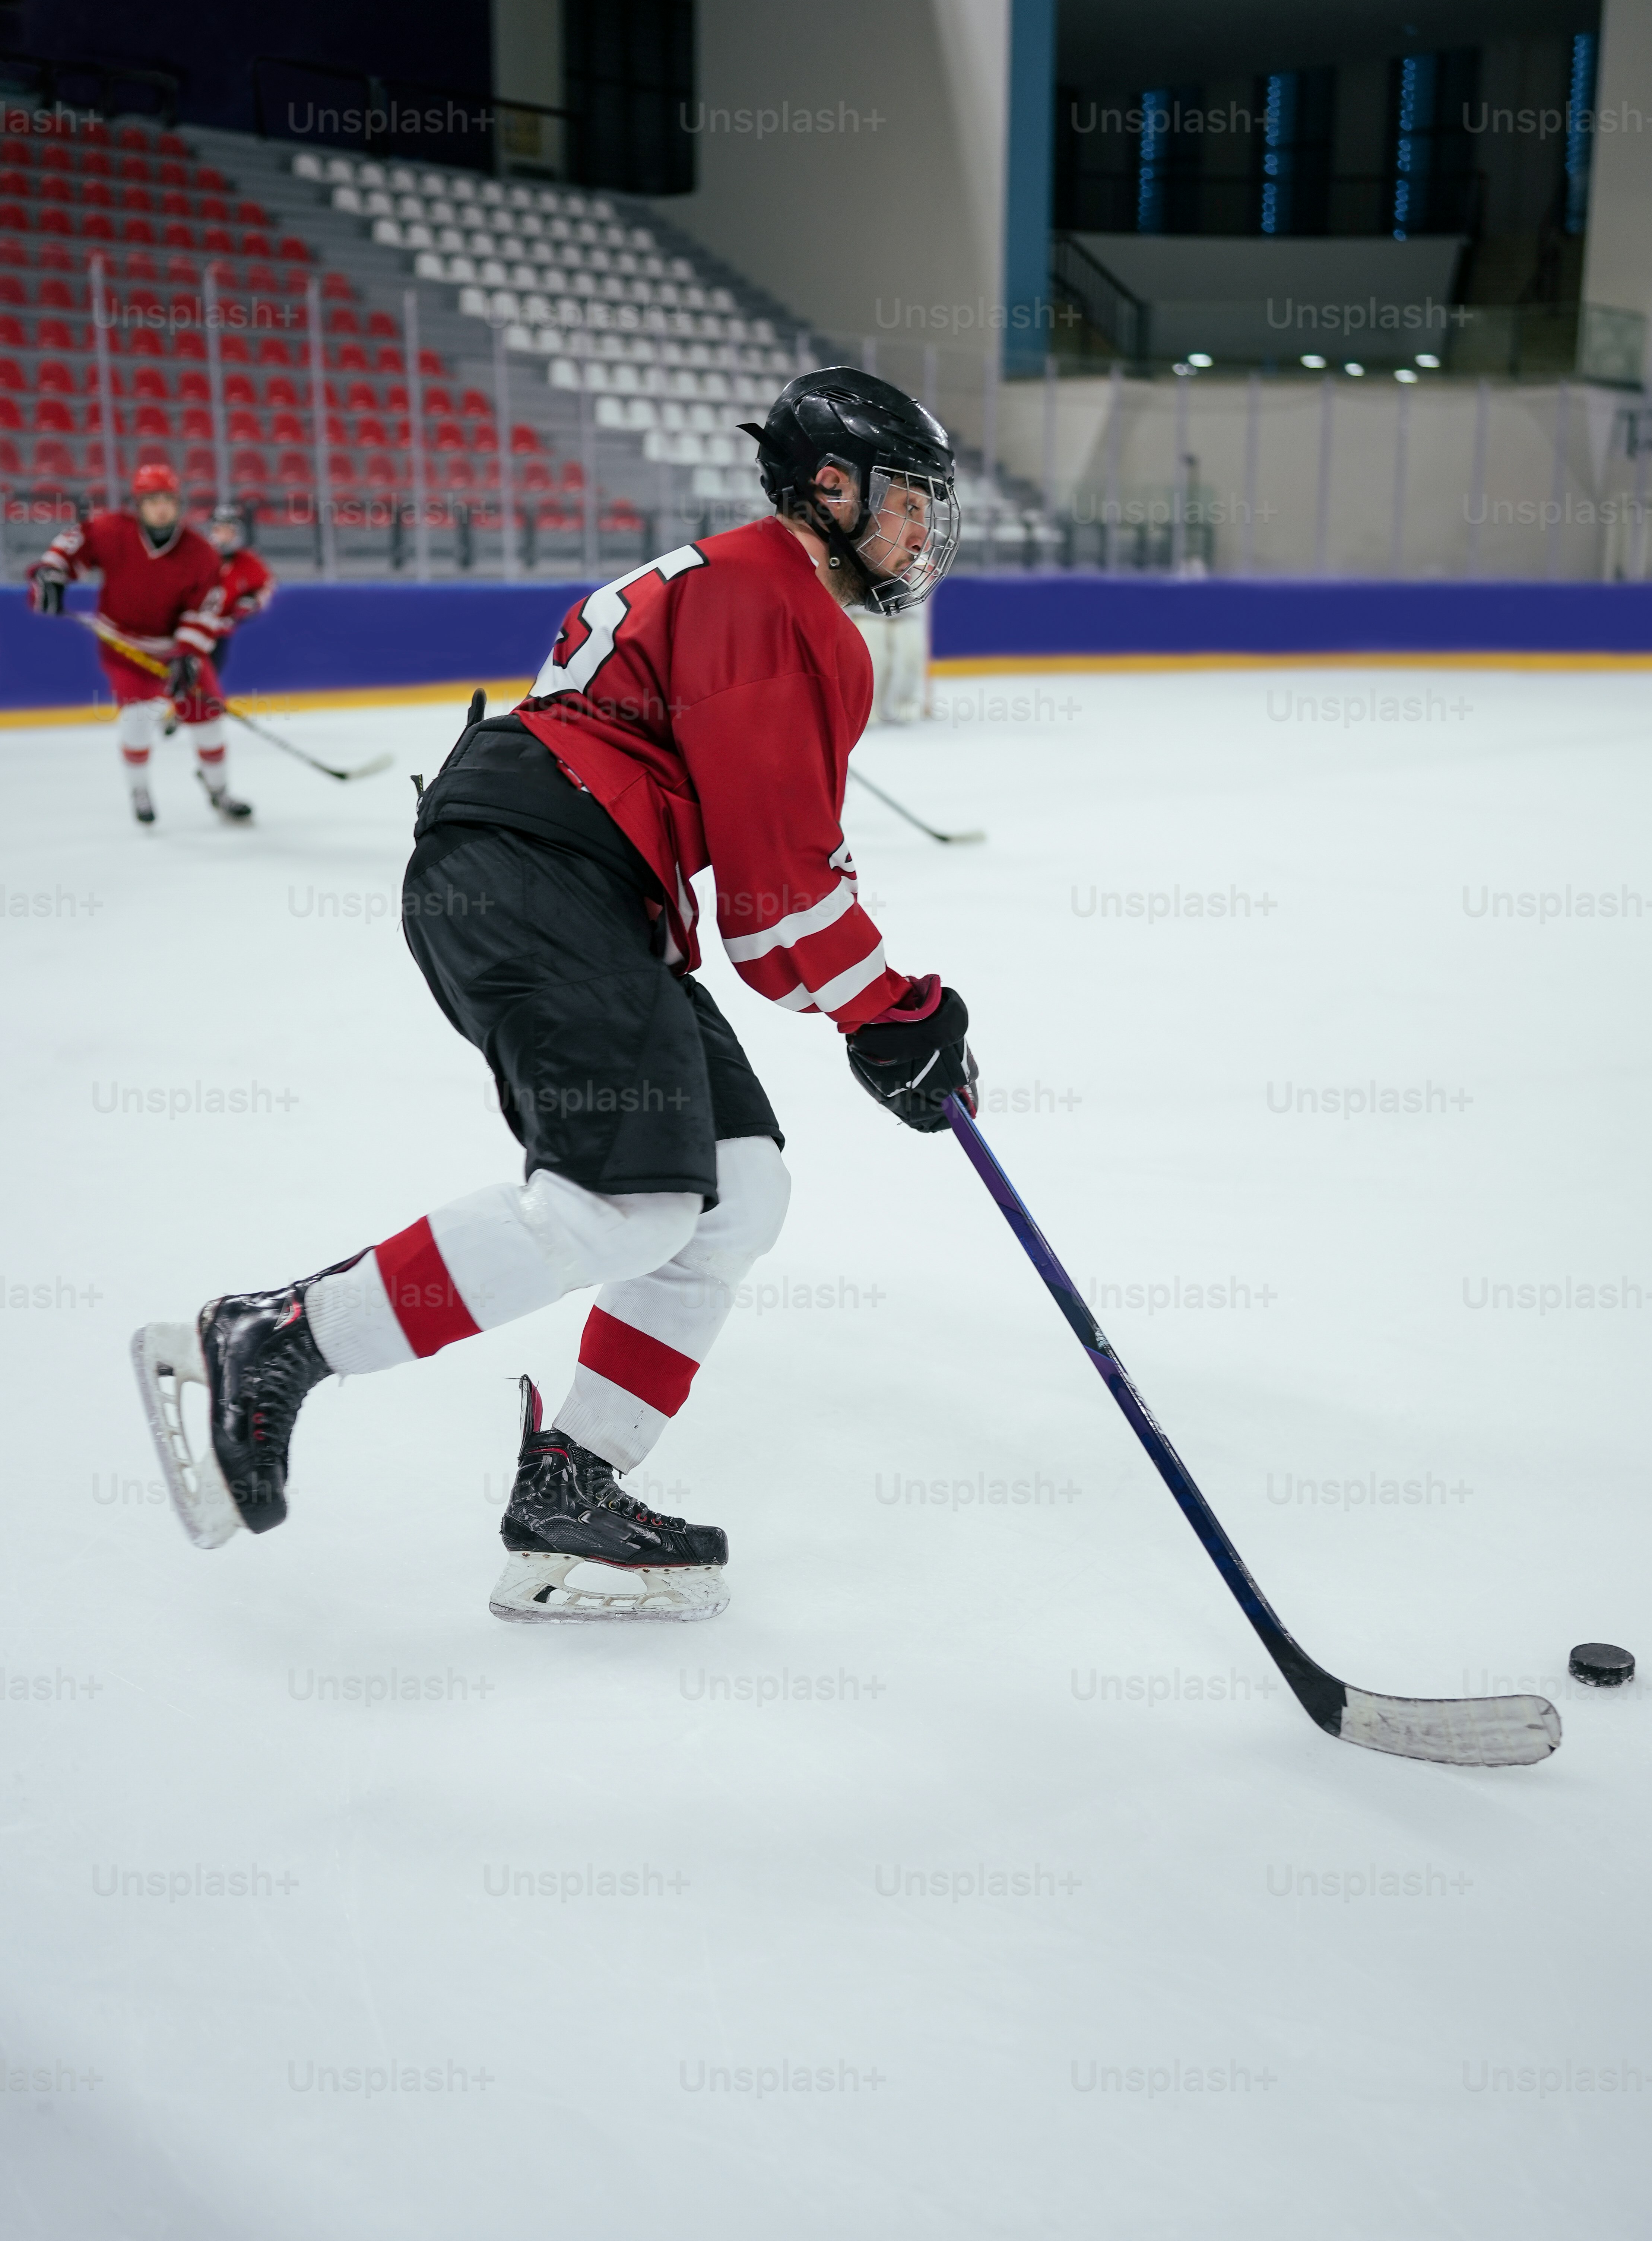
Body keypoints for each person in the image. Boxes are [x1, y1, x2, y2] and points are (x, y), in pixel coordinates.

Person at [132, 368, 976, 1622]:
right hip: (538, 867)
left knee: (737, 1190)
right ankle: (281, 1335)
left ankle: (571, 1477)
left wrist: (878, 1009)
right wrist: (896, 1011)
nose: (923, 534)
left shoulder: (743, 583)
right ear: (834, 488)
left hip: (574, 879)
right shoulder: (778, 601)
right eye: (911, 502)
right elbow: (777, 906)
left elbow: (772, 900)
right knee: (626, 1197)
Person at [26, 462, 251, 824]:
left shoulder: (201, 553)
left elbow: (205, 610)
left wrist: (189, 655)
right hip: (124, 647)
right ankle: (140, 790)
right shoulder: (111, 530)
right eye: (152, 500)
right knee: (136, 718)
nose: (161, 507)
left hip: (177, 651)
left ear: (178, 504)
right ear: (139, 504)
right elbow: (70, 548)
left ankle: (219, 792)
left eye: (168, 499)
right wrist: (51, 573)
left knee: (208, 721)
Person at [203, 502, 275, 675]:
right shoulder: (199, 559)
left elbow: (268, 587)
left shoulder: (248, 561)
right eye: (220, 530)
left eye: (230, 531)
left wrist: (255, 602)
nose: (225, 536)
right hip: (197, 631)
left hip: (226, 635)